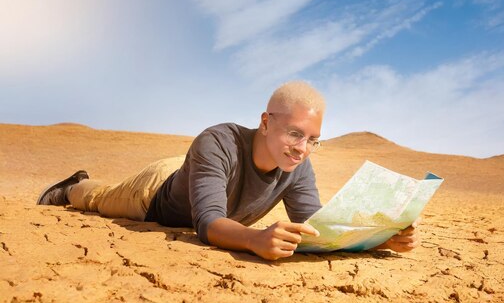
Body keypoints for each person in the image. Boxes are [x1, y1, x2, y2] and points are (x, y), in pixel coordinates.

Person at [37, 81, 420, 260]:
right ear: (266, 122)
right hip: (154, 193)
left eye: (313, 139)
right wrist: (254, 239)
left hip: (203, 180)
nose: (303, 149)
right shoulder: (217, 141)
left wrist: (378, 240)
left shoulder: (298, 166)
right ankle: (75, 184)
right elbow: (206, 223)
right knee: (99, 199)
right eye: (294, 134)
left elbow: (316, 230)